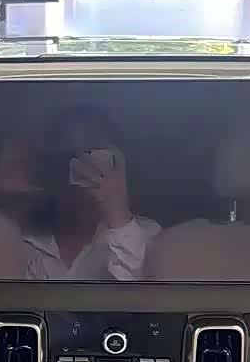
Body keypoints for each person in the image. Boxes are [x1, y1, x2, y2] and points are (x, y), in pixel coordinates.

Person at [20, 107, 161, 281]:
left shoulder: (147, 234)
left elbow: (139, 292)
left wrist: (117, 211)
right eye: (67, 156)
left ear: (114, 164)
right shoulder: (22, 237)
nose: (80, 167)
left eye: (91, 155)